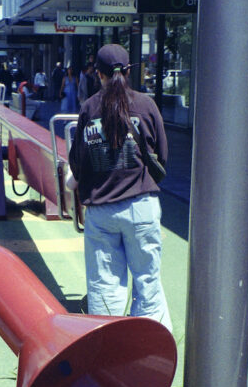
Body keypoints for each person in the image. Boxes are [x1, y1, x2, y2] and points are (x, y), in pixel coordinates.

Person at [68, 44, 171, 328]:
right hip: (141, 207)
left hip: (101, 213)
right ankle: (151, 351)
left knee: (104, 289)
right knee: (148, 283)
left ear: (97, 73)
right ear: (127, 71)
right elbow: (161, 157)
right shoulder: (146, 105)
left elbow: (78, 161)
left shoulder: (89, 107)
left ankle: (108, 349)